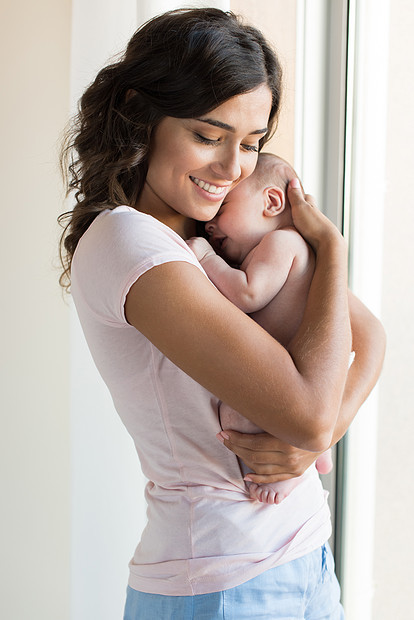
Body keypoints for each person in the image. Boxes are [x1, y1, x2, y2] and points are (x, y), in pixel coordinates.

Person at [58, 8, 385, 619]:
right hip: (222, 581)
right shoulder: (127, 241)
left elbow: (369, 336)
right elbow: (308, 417)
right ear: (139, 112)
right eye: (209, 136)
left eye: (252, 144)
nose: (233, 168)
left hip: (306, 553)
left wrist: (319, 436)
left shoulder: (223, 231)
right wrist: (330, 246)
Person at [187, 153, 338, 505]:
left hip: (299, 373)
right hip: (305, 370)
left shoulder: (283, 242)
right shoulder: (274, 247)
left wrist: (207, 258)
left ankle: (291, 475)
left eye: (223, 206)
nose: (209, 224)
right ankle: (315, 455)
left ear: (271, 202)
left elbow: (247, 294)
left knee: (235, 413)